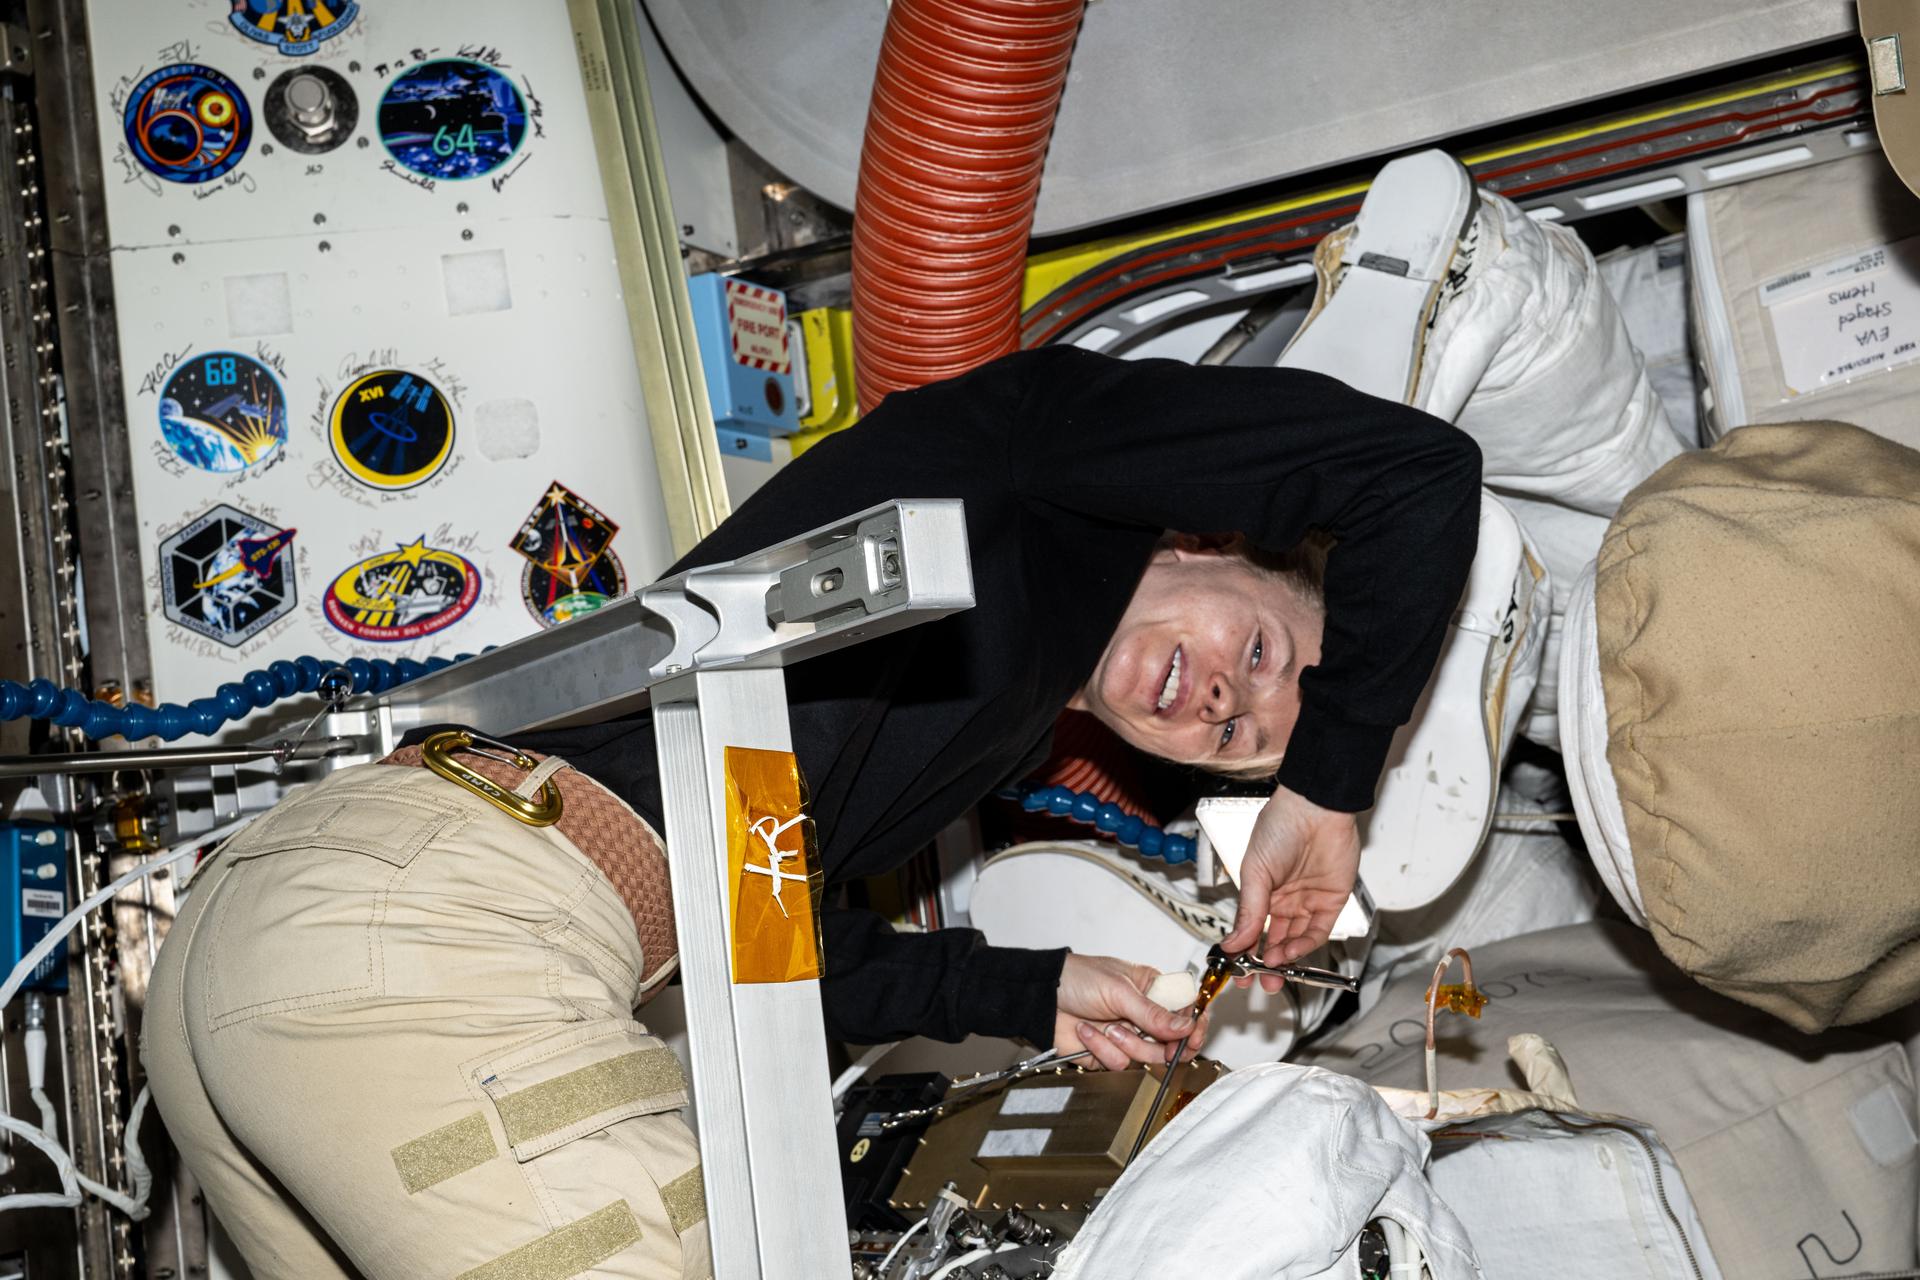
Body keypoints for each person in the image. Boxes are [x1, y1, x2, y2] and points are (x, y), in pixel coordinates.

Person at [142, 346, 1481, 1277]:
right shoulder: (1042, 475)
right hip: (435, 948)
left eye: (1242, 740)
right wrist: (1323, 784)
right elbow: (1416, 474)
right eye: (1264, 653)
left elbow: (766, 944)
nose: (1223, 706)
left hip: (300, 934)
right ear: (1209, 544)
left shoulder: (984, 702)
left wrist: (1028, 991)